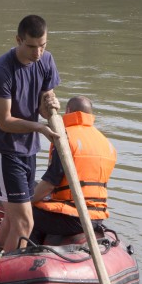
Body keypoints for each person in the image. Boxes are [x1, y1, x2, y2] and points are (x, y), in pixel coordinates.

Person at [0, 14, 60, 251]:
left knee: (12, 218)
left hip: (29, 150)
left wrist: (49, 107)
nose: (37, 53)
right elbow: (5, 121)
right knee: (25, 222)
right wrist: (39, 127)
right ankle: (5, 277)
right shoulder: (0, 71)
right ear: (18, 39)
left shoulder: (46, 61)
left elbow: (43, 106)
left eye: (42, 46)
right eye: (31, 46)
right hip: (5, 151)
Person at [29, 96, 116, 245]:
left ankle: (24, 255)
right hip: (96, 217)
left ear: (68, 111)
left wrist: (27, 201)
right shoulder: (105, 142)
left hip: (72, 216)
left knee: (22, 213)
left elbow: (50, 183)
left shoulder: (66, 138)